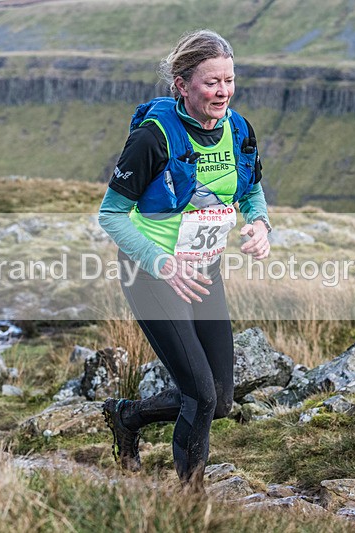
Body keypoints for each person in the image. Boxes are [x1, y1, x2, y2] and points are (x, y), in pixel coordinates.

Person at [97, 29, 272, 492]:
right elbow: (110, 215)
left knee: (221, 401)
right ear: (182, 84)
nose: (223, 91)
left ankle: (127, 416)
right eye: (211, 82)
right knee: (200, 394)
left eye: (229, 80)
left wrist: (259, 224)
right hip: (152, 274)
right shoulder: (152, 138)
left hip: (204, 272)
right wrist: (160, 262)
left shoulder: (239, 129)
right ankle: (191, 502)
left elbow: (251, 190)